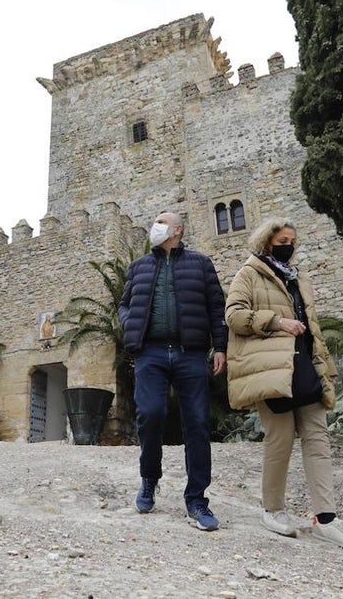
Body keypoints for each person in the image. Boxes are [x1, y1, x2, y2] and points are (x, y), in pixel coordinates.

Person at [224, 219, 343, 550]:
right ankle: (272, 510)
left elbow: (312, 325)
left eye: (292, 239)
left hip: (305, 368)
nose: (288, 244)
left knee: (318, 440)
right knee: (280, 441)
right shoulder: (249, 273)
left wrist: (324, 365)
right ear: (267, 242)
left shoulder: (298, 276)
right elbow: (233, 316)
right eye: (282, 240)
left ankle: (326, 518)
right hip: (272, 370)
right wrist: (276, 322)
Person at [119, 211, 228, 530]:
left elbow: (216, 306)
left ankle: (196, 500)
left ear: (177, 229)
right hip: (150, 352)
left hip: (190, 354)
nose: (156, 226)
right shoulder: (138, 266)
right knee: (150, 414)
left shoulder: (200, 264)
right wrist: (129, 323)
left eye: (161, 222)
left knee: (196, 423)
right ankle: (149, 479)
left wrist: (220, 346)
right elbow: (124, 304)